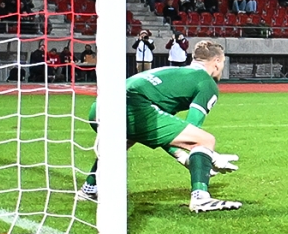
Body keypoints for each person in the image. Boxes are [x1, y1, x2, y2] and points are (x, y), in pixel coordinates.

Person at [81, 39, 241, 213]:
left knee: (125, 141)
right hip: (133, 106)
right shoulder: (206, 83)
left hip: (99, 107)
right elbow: (191, 130)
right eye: (222, 62)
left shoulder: (171, 72)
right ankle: (200, 197)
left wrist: (182, 156)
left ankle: (89, 188)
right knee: (205, 140)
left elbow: (165, 133)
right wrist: (210, 157)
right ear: (216, 61)